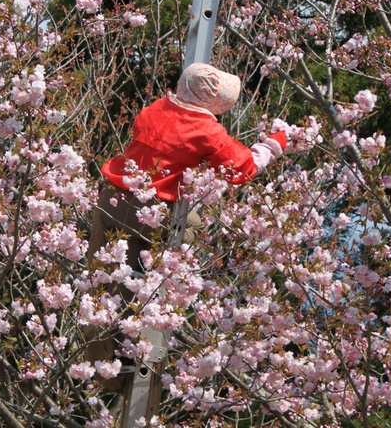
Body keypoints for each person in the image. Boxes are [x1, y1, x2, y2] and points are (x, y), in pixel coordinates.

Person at [84, 63, 286, 379]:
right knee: (187, 230)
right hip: (149, 211)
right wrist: (274, 145)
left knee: (103, 282)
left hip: (111, 196)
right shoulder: (208, 131)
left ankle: (102, 364)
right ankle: (125, 361)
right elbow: (241, 168)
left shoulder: (155, 108)